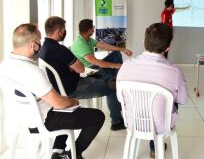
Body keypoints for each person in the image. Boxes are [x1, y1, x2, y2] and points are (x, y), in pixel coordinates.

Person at [0, 23, 105, 159]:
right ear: (32, 45)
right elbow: (59, 104)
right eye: (39, 43)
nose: (40, 46)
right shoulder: (32, 71)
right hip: (42, 120)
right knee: (97, 116)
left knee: (66, 111)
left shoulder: (4, 65)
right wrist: (73, 101)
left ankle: (58, 151)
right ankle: (72, 154)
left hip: (23, 118)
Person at [39, 16, 125, 131]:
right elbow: (81, 69)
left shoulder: (43, 48)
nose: (65, 32)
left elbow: (74, 66)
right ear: (59, 31)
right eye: (64, 30)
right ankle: (117, 122)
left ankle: (117, 99)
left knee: (109, 78)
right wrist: (74, 66)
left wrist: (71, 66)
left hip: (62, 86)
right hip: (73, 87)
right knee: (112, 87)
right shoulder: (60, 49)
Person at [116, 22, 189, 158]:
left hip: (133, 122)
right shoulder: (175, 71)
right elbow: (183, 100)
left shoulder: (126, 66)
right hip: (161, 126)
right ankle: (156, 147)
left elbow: (120, 98)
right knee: (172, 99)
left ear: (143, 41)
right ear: (167, 48)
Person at [70, 19, 132, 84]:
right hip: (88, 71)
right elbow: (95, 61)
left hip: (94, 66)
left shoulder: (88, 39)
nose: (93, 29)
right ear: (89, 30)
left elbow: (104, 46)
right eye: (93, 27)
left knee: (116, 53)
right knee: (113, 75)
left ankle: (118, 76)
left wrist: (123, 49)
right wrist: (116, 65)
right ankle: (117, 77)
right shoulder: (80, 44)